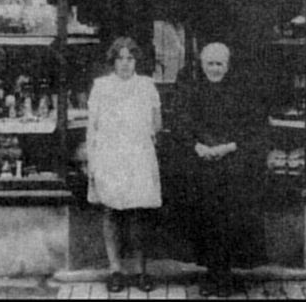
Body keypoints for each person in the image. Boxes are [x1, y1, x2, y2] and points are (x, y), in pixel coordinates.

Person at [175, 42, 267, 297]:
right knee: (206, 221)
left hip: (233, 166)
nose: (214, 69)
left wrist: (228, 147)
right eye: (210, 64)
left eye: (219, 64)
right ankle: (211, 275)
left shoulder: (241, 92)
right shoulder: (192, 90)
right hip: (202, 165)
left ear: (228, 65)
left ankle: (225, 275)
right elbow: (181, 124)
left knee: (230, 222)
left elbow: (254, 128)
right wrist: (197, 147)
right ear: (202, 65)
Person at [86, 37, 163, 293]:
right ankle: (115, 270)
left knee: (138, 213)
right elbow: (93, 127)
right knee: (111, 212)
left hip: (138, 155)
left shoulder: (147, 86)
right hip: (109, 156)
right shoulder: (101, 87)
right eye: (120, 58)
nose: (125, 64)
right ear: (113, 61)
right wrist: (93, 160)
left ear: (136, 61)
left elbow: (157, 124)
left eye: (130, 58)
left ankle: (141, 271)